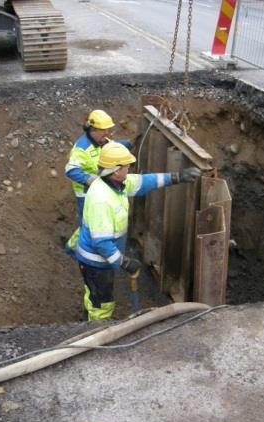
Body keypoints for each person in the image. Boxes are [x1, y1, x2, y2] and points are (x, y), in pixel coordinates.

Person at [75, 141, 201, 321]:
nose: (129, 168)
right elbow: (101, 243)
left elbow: (143, 182)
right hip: (95, 262)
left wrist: (176, 177)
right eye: (126, 166)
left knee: (93, 293)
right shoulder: (101, 199)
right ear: (116, 170)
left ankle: (88, 313)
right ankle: (96, 333)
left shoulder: (116, 183)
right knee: (103, 303)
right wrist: (124, 262)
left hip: (97, 261)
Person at [64, 109, 130, 253]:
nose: (107, 133)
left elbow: (110, 148)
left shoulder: (101, 141)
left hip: (98, 190)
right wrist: (89, 180)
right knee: (86, 225)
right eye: (103, 130)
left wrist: (125, 145)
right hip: (85, 194)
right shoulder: (81, 149)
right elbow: (71, 170)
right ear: (92, 129)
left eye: (107, 130)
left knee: (90, 223)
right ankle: (71, 248)